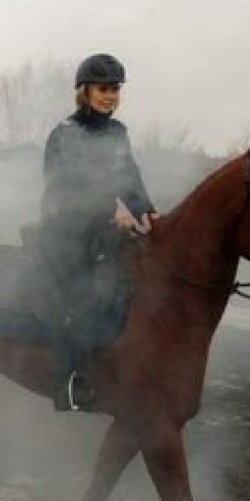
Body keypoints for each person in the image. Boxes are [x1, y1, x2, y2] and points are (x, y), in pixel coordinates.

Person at [37, 52, 156, 411]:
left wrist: (146, 212)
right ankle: (69, 382)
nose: (110, 96)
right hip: (66, 230)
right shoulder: (65, 134)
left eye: (115, 90)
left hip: (103, 229)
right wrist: (111, 212)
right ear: (84, 91)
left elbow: (129, 178)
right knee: (83, 297)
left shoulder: (118, 133)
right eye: (103, 89)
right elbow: (68, 186)